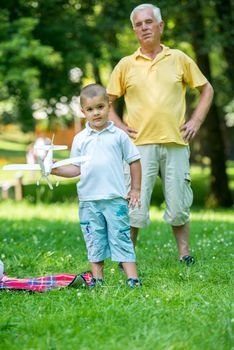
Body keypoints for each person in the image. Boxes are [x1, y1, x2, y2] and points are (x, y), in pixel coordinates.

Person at [107, 4, 214, 265]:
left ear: (160, 26)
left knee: (179, 204)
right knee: (134, 205)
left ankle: (184, 254)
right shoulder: (126, 64)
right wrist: (120, 126)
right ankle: (126, 257)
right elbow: (105, 102)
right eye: (138, 24)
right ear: (134, 30)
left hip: (176, 143)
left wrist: (196, 120)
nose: (144, 27)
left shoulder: (179, 58)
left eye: (148, 22)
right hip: (138, 147)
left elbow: (207, 89)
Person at [52, 83, 142, 287]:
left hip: (115, 199)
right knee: (94, 240)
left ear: (109, 105)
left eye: (100, 107)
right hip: (89, 201)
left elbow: (134, 160)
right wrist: (56, 169)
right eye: (90, 109)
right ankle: (98, 279)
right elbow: (76, 168)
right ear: (83, 112)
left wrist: (135, 189)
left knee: (121, 237)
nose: (96, 113)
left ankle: (133, 278)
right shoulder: (80, 139)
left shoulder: (119, 135)